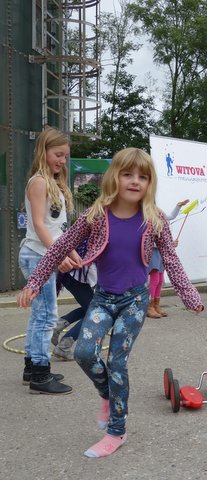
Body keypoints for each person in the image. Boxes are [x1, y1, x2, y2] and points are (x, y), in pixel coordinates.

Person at [17, 147, 204, 458]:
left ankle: (117, 431)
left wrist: (189, 295)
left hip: (135, 300)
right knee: (84, 352)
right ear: (114, 177)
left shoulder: (155, 218)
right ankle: (108, 395)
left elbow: (170, 259)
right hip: (103, 298)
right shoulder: (96, 215)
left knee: (117, 362)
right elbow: (60, 246)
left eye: (143, 176)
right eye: (127, 174)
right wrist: (35, 282)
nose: (135, 181)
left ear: (150, 183)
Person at [18, 127, 81, 395]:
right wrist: (59, 255)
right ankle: (40, 376)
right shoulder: (39, 182)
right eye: (58, 155)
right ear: (43, 152)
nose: (62, 161)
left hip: (44, 254)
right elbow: (39, 225)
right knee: (46, 316)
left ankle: (32, 367)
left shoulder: (53, 183)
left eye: (65, 156)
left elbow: (58, 229)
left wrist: (72, 252)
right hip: (37, 255)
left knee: (39, 315)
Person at [147, 199, 188, 318]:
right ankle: (149, 306)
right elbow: (149, 239)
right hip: (153, 252)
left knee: (160, 279)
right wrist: (166, 243)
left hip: (161, 252)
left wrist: (178, 206)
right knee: (155, 278)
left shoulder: (159, 214)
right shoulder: (146, 217)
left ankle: (156, 305)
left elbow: (171, 216)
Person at [52, 256, 97, 360]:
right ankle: (63, 347)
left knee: (90, 308)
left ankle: (57, 326)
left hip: (71, 274)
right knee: (95, 312)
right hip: (77, 273)